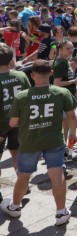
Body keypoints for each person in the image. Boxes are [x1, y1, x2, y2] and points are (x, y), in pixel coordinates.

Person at [1, 60, 77, 226]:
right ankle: (61, 212)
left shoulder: (22, 96)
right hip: (54, 140)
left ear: (32, 75)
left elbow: (13, 123)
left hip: (30, 141)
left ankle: (15, 207)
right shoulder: (62, 92)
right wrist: (72, 135)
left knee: (24, 175)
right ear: (51, 73)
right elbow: (71, 117)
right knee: (57, 174)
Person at [0, 44, 30, 174]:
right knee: (17, 154)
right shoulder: (21, 76)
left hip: (1, 125)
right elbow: (29, 98)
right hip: (18, 123)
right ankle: (22, 183)